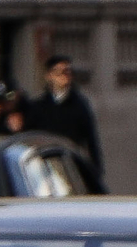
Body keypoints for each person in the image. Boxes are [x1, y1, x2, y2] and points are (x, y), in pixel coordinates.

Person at [21, 55, 104, 186]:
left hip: (70, 164)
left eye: (68, 72)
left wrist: (96, 170)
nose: (65, 76)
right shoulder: (39, 106)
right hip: (45, 166)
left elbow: (91, 139)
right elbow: (28, 136)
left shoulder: (79, 105)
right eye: (59, 72)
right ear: (49, 76)